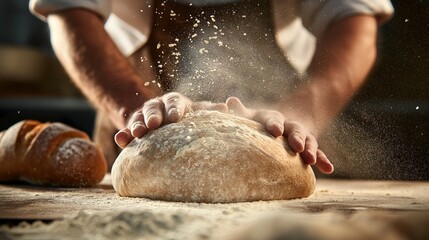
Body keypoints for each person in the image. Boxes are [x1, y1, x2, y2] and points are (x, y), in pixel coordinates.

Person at [29, 0, 393, 173]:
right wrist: (134, 107)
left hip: (274, 124)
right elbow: (68, 11)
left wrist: (301, 113)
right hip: (131, 108)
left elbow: (354, 18)